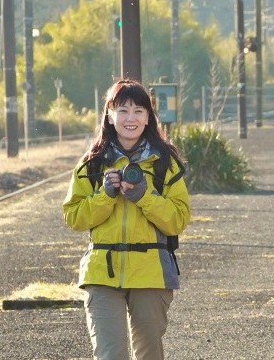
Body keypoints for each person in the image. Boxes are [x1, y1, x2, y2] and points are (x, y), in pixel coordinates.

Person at [62, 79, 190, 360]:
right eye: (122, 110)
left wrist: (145, 196)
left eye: (138, 111)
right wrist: (105, 195)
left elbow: (178, 220)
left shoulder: (164, 163)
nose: (130, 118)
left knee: (149, 355)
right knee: (110, 355)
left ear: (148, 117)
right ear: (109, 115)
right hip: (101, 273)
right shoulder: (92, 163)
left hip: (151, 273)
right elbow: (74, 217)